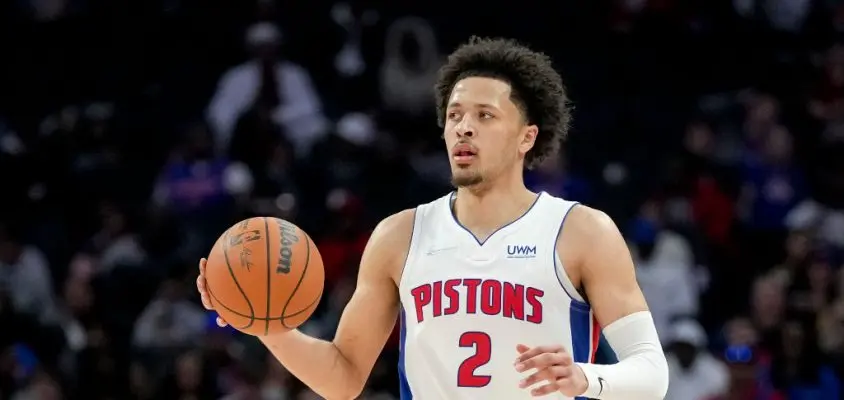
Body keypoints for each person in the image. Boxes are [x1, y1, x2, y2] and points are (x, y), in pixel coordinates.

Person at [196, 37, 669, 400]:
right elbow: (342, 377)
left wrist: (588, 377)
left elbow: (651, 372)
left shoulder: (582, 231)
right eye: (455, 114)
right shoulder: (399, 235)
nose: (463, 126)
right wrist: (263, 322)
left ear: (527, 137)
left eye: (485, 115)